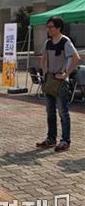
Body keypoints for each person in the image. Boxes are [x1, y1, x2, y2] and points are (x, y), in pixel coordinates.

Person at [36, 16, 81, 152]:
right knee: (50, 111)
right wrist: (44, 71)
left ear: (58, 28)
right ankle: (51, 138)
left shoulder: (65, 41)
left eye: (51, 27)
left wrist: (66, 74)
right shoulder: (48, 42)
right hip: (50, 80)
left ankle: (65, 141)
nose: (48, 29)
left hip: (61, 82)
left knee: (63, 112)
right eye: (47, 27)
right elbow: (42, 58)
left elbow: (76, 58)